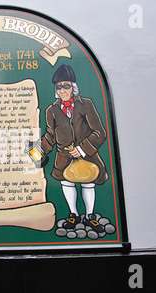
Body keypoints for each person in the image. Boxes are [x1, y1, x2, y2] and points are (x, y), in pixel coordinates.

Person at [40, 64, 108, 232]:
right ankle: (73, 214)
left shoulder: (86, 105)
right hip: (64, 157)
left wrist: (82, 149)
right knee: (67, 183)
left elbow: (100, 132)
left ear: (73, 87)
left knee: (88, 184)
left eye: (66, 86)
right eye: (59, 87)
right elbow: (50, 136)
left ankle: (90, 216)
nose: (63, 90)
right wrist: (35, 151)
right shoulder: (52, 110)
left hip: (87, 156)